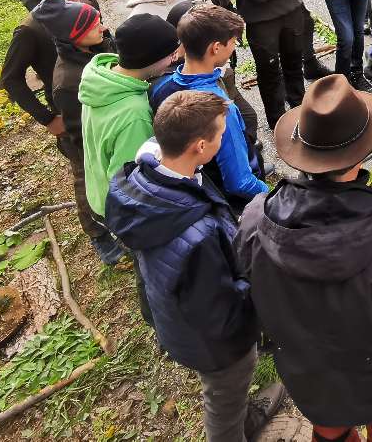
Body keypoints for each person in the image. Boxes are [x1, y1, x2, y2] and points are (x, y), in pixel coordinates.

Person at [235, 75, 372, 442]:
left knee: (330, 430)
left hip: (308, 370)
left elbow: (248, 277)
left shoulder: (256, 218)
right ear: (363, 147)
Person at [106, 90, 284, 442]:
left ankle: (243, 415)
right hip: (215, 343)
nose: (223, 137)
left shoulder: (145, 180)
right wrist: (263, 284)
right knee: (224, 396)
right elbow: (220, 307)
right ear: (200, 146)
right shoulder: (197, 234)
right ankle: (232, 430)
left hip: (176, 313)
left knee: (228, 396)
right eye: (220, 133)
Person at [32, 0, 122, 265]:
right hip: (84, 141)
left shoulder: (98, 46)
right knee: (87, 182)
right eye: (95, 25)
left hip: (107, 128)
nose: (103, 29)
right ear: (75, 36)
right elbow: (81, 133)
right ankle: (97, 232)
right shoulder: (69, 82)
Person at [149, 5, 268, 208]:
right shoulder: (220, 109)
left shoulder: (160, 86)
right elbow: (240, 183)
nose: (234, 47)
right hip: (230, 200)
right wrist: (270, 196)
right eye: (233, 42)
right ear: (216, 48)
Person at [80, 13, 180, 218]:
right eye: (170, 55)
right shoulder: (134, 115)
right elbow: (133, 182)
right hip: (122, 210)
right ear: (150, 58)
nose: (175, 58)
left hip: (97, 188)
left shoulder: (102, 79)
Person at [0, 0, 86, 141]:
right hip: (70, 110)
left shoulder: (86, 7)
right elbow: (11, 78)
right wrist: (47, 119)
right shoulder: (30, 29)